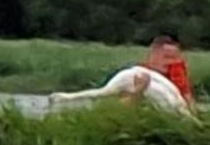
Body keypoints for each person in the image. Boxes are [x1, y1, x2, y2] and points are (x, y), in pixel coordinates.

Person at [47, 35, 195, 115]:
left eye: (175, 57)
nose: (173, 62)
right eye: (167, 57)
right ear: (153, 54)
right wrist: (138, 91)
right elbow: (116, 110)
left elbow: (188, 101)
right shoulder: (133, 76)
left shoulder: (175, 76)